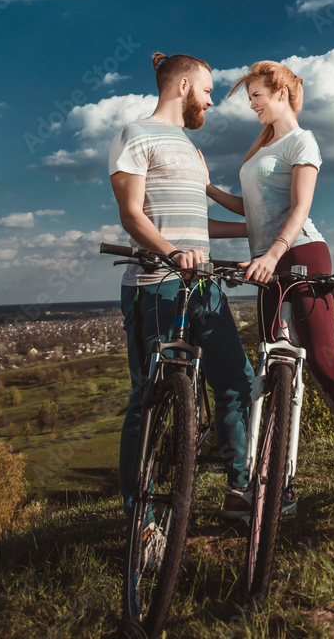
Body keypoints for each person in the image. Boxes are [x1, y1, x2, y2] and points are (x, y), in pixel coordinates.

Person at [206, 60, 334, 517]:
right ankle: (280, 481)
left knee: (323, 359)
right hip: (269, 263)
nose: (252, 104)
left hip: (301, 255)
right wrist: (209, 190)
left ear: (280, 93)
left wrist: (273, 254)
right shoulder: (261, 147)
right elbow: (255, 210)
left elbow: (298, 210)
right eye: (250, 97)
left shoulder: (302, 141)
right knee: (275, 370)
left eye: (256, 95)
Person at [108, 51, 255, 526]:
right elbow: (132, 215)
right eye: (209, 91)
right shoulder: (134, 134)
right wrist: (173, 253)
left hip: (204, 286)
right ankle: (144, 519)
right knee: (149, 397)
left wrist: (260, 233)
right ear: (185, 86)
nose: (211, 102)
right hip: (156, 287)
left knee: (237, 381)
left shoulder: (194, 152)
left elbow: (200, 224)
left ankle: (238, 489)